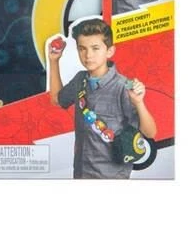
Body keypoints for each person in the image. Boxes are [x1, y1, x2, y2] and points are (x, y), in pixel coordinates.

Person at [49, 18, 157, 179]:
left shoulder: (123, 86)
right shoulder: (80, 80)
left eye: (95, 48)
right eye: (82, 49)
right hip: (81, 174)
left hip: (111, 177)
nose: (88, 55)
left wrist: (139, 103)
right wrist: (54, 61)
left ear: (109, 51)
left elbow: (150, 133)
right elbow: (57, 100)